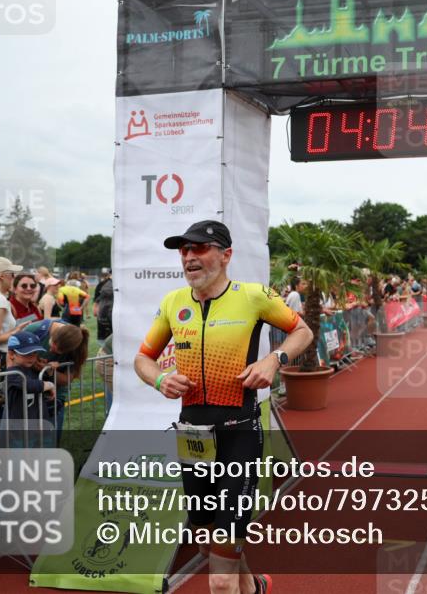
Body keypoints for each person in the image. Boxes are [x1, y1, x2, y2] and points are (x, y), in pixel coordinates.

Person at [134, 220, 312, 594]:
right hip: (193, 437)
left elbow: (303, 332)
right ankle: (253, 587)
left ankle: (236, 585)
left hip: (239, 436)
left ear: (226, 255)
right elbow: (143, 359)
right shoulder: (172, 303)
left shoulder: (252, 296)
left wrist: (273, 360)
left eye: (198, 248)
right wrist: (160, 379)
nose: (188, 257)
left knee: (218, 580)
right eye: (184, 250)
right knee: (209, 541)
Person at [22, 319, 90, 441]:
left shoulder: (77, 345)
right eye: (53, 345)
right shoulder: (34, 330)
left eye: (59, 352)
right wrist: (31, 363)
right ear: (53, 334)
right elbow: (12, 357)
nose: (52, 350)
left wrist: (50, 371)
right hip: (27, 391)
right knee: (25, 438)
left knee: (51, 438)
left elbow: (66, 379)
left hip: (54, 398)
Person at [2, 331, 57, 445]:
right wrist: (48, 385)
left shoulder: (33, 370)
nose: (31, 357)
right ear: (12, 354)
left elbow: (41, 389)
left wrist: (50, 372)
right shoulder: (12, 373)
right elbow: (29, 385)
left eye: (34, 353)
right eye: (26, 354)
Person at [93, 269, 114, 342]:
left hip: (105, 315)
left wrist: (95, 308)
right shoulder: (103, 284)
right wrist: (95, 308)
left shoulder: (102, 284)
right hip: (106, 314)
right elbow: (96, 299)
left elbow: (96, 299)